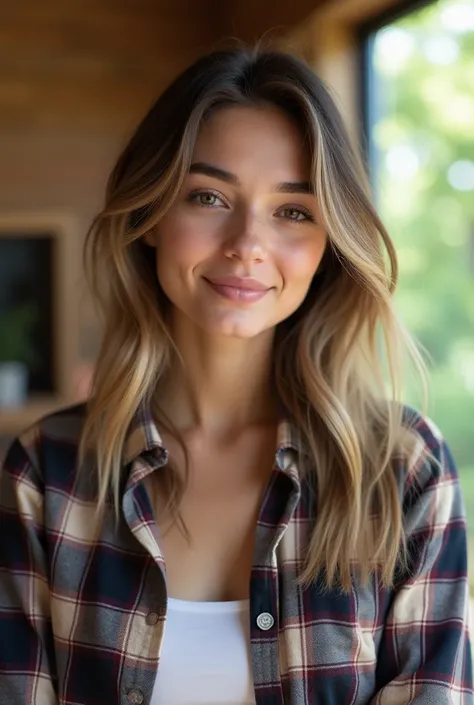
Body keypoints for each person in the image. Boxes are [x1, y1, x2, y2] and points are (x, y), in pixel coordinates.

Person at [0, 46, 472, 705]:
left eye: (293, 210)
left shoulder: (403, 473)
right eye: (209, 196)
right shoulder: (46, 475)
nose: (248, 242)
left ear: (329, 244)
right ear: (150, 218)